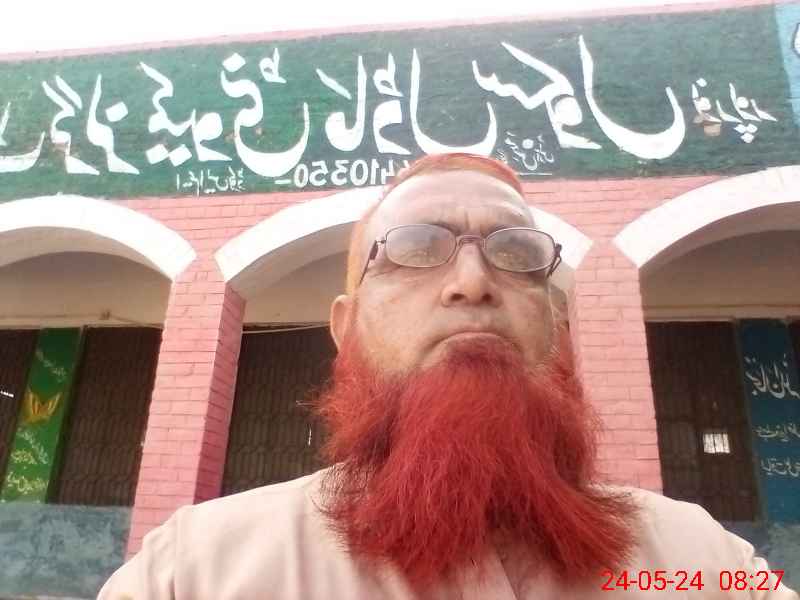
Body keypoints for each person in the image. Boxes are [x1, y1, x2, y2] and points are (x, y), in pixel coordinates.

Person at [98, 153, 797, 599]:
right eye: (413, 248)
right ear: (347, 328)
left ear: (555, 326)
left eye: (515, 252)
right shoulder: (198, 572)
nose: (472, 281)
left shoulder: (701, 563)